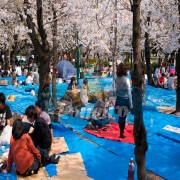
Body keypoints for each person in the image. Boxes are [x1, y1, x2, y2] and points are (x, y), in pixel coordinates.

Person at [114, 63, 132, 138]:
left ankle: (121, 132)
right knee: (124, 117)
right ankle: (121, 133)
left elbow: (115, 91)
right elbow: (129, 92)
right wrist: (130, 103)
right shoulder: (126, 80)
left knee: (120, 116)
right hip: (125, 100)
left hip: (118, 99)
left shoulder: (116, 79)